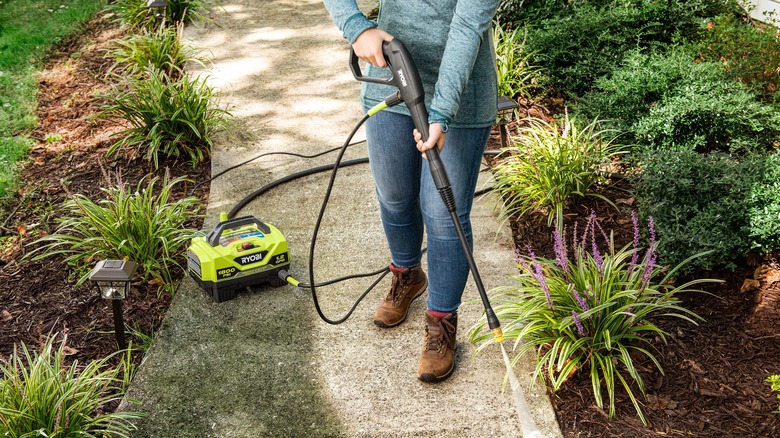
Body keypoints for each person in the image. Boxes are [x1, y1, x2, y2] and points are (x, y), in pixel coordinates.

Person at [322, 0, 499, 383]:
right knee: (395, 195)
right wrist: (356, 26)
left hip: (460, 95)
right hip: (390, 75)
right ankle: (408, 275)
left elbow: (467, 27)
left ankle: (441, 320)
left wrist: (441, 114)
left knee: (442, 213)